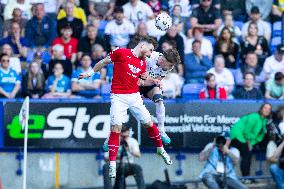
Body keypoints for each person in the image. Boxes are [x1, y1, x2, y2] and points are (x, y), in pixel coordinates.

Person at [79, 36, 172, 178]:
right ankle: (112, 165)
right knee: (116, 128)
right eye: (150, 50)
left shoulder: (142, 63)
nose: (150, 54)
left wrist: (154, 81)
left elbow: (141, 82)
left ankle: (160, 149)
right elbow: (104, 62)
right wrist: (90, 73)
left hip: (134, 97)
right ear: (142, 46)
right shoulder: (120, 52)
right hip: (118, 97)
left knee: (149, 123)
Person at [230, 103, 272, 176]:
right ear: (261, 109)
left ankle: (247, 177)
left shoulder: (264, 121)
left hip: (245, 139)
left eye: (269, 109)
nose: (267, 110)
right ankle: (246, 177)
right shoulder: (254, 116)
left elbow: (260, 136)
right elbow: (246, 131)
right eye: (265, 108)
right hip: (238, 136)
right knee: (247, 153)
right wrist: (249, 144)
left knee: (248, 153)